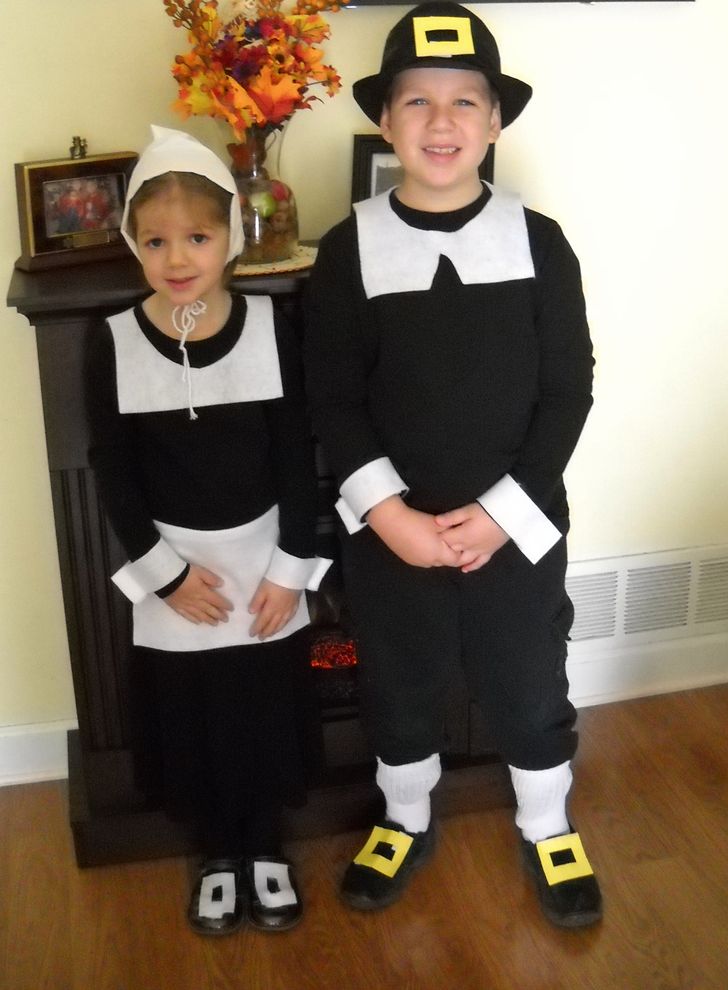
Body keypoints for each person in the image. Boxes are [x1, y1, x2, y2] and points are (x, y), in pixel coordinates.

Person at [304, 2, 602, 928]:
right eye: (418, 102)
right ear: (384, 121)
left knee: (526, 677)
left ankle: (547, 823)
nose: (441, 122)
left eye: (464, 101)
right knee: (397, 678)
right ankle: (403, 816)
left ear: (494, 120)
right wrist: (390, 516)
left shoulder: (540, 242)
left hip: (516, 525)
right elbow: (335, 400)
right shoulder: (348, 248)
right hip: (392, 532)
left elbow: (568, 392)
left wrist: (505, 511)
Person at [85, 125, 330, 936]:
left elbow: (297, 454)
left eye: (198, 236)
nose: (178, 256)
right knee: (193, 717)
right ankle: (216, 850)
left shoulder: (267, 326)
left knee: (261, 708)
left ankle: (263, 843)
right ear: (133, 243)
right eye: (155, 240)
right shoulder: (112, 341)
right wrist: (165, 575)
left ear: (233, 236)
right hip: (175, 569)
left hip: (263, 562)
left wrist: (292, 568)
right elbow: (113, 471)